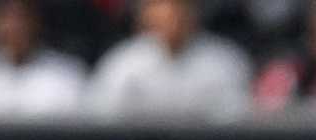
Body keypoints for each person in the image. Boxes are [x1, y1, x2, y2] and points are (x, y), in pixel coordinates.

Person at [89, 0, 252, 119]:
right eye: (162, 5)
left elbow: (237, 128)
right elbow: (102, 122)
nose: (172, 15)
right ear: (146, 14)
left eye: (180, 6)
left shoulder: (224, 62)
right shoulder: (123, 63)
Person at [0, 0, 88, 118]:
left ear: (36, 22)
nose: (15, 27)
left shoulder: (67, 76)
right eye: (5, 18)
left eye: (21, 18)